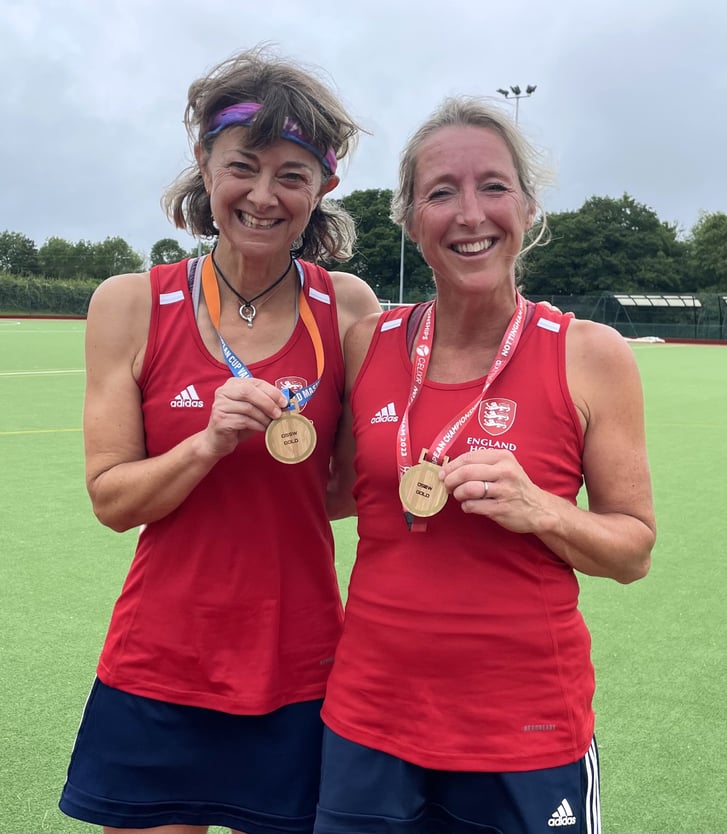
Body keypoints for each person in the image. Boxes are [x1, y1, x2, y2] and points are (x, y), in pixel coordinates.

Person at [58, 47, 380, 834]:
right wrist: (206, 445)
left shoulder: (346, 308)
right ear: (205, 165)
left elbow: (348, 486)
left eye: (292, 176)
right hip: (160, 664)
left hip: (300, 666)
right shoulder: (131, 304)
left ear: (323, 188)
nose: (264, 196)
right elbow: (111, 500)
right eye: (243, 166)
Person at [315, 96, 656, 834]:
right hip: (368, 725)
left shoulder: (591, 354)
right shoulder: (368, 342)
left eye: (494, 186)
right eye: (442, 192)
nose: (470, 213)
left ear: (528, 208)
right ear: (411, 220)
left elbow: (633, 550)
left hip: (526, 735)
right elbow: (334, 493)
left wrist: (543, 509)